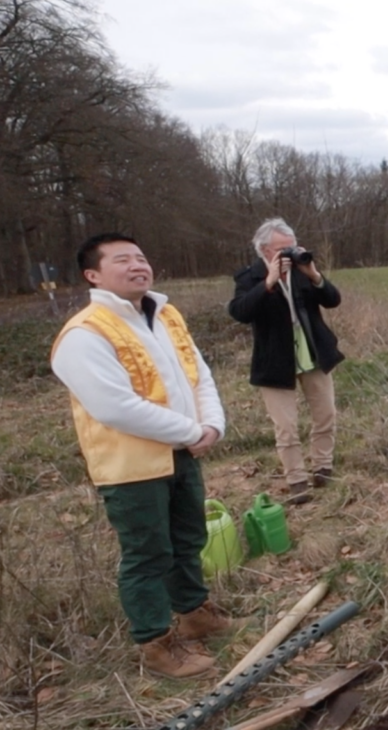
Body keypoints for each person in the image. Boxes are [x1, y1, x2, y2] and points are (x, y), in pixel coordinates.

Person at [51, 234, 244, 679]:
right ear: (93, 275)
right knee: (147, 553)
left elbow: (199, 376)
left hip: (183, 453)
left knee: (187, 539)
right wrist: (191, 431)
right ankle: (156, 644)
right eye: (123, 260)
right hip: (131, 468)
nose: (138, 265)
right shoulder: (84, 334)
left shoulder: (164, 315)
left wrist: (212, 424)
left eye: (141, 257)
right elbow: (113, 406)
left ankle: (195, 614)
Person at [228, 218, 345, 506]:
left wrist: (315, 275)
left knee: (325, 414)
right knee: (286, 425)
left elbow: (332, 300)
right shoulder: (249, 277)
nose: (289, 253)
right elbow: (240, 311)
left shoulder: (302, 271)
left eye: (292, 246)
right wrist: (268, 282)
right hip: (274, 360)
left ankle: (323, 467)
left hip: (311, 352)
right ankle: (297, 480)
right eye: (283, 249)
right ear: (265, 251)